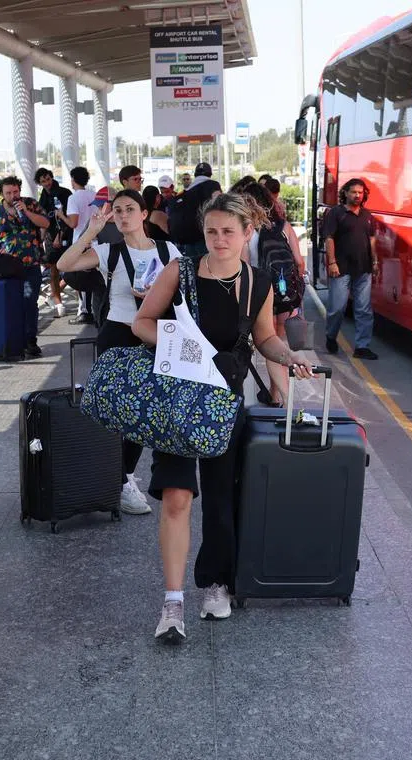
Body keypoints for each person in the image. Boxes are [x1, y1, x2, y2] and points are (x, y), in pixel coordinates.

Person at [132, 193, 314, 643]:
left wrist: (288, 356)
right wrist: (183, 346)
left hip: (224, 403)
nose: (218, 239)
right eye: (211, 231)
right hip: (177, 399)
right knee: (177, 498)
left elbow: (265, 336)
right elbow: (142, 322)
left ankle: (216, 583)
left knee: (220, 497)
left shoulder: (258, 281)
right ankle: (172, 601)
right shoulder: (182, 272)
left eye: (228, 231)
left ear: (247, 233)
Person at [56, 189, 183, 516]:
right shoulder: (108, 251)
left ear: (144, 214)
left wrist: (158, 297)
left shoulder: (169, 251)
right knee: (117, 411)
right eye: (117, 210)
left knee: (143, 411)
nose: (123, 215)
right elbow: (64, 263)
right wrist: (92, 230)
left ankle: (123, 475)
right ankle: (118, 477)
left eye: (130, 209)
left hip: (155, 333)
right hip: (117, 334)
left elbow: (183, 294)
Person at [237, 181, 306, 405]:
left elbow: (243, 265)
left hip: (261, 295)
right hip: (285, 295)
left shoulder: (247, 229)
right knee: (281, 345)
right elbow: (299, 262)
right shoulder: (283, 226)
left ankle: (279, 397)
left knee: (268, 344)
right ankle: (280, 396)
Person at [0, 176, 51, 357]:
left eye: (16, 192)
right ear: (1, 194)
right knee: (10, 304)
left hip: (30, 265)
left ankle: (30, 341)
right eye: (9, 193)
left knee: (29, 303)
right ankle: (12, 341)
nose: (13, 196)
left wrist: (26, 212)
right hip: (6, 269)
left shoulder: (30, 204)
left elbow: (46, 223)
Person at [323, 178, 379, 360]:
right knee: (337, 308)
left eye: (360, 192)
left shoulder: (367, 215)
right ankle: (331, 336)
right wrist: (332, 262)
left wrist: (375, 262)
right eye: (354, 192)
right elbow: (329, 238)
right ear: (345, 193)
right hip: (340, 268)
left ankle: (362, 347)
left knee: (364, 309)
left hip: (363, 268)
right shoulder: (336, 213)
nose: (357, 195)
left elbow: (371, 240)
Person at [35, 167, 72, 319]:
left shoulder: (65, 193)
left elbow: (69, 217)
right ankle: (58, 302)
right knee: (53, 269)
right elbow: (44, 219)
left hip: (66, 233)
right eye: (43, 181)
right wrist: (42, 237)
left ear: (52, 177)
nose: (47, 183)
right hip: (50, 236)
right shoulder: (43, 197)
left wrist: (60, 234)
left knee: (72, 268)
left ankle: (58, 295)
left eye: (48, 179)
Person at [166, 162, 222, 258]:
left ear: (195, 175)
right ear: (210, 174)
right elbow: (220, 204)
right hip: (203, 237)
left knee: (192, 268)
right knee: (206, 267)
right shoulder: (213, 185)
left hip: (186, 239)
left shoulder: (187, 191)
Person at [64, 166, 97, 325]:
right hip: (96, 240)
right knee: (94, 277)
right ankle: (93, 309)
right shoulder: (94, 195)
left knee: (80, 278)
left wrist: (61, 216)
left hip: (81, 242)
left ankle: (84, 311)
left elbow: (73, 223)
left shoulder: (73, 198)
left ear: (73, 180)